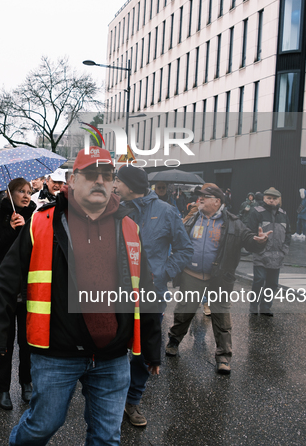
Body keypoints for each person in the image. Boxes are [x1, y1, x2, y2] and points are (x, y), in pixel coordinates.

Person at [0, 147, 161, 445]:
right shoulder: (41, 223)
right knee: (41, 427)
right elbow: (5, 281)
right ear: (73, 180)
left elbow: (147, 289)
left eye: (107, 175)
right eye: (91, 175)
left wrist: (152, 347)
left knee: (106, 437)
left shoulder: (130, 228)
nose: (100, 181)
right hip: (56, 353)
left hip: (112, 356)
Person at [114, 166, 193, 427]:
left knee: (142, 348)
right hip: (117, 294)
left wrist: (162, 274)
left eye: (118, 180)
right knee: (112, 344)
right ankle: (109, 396)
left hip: (151, 295)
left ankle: (133, 400)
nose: (114, 184)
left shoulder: (167, 212)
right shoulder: (115, 209)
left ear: (130, 185)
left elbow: (184, 250)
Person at [166, 183, 270, 374]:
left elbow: (249, 241)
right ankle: (173, 341)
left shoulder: (233, 222)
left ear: (217, 201)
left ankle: (223, 357)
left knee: (221, 317)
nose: (201, 199)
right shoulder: (192, 218)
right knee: (183, 311)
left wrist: (260, 241)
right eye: (200, 196)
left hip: (219, 278)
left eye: (205, 196)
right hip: (191, 274)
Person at [0, 178, 36, 410]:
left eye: (29, 192)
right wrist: (10, 230)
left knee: (27, 340)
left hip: (28, 285)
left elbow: (40, 247)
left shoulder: (35, 217)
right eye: (21, 191)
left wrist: (25, 229)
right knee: (3, 340)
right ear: (9, 194)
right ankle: (3, 390)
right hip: (1, 286)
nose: (26, 195)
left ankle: (26, 384)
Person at [247, 188, 291, 316]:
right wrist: (256, 245)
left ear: (279, 200)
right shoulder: (257, 212)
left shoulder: (283, 214)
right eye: (269, 198)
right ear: (264, 198)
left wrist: (284, 250)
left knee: (272, 283)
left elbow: (288, 233)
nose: (271, 200)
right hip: (261, 253)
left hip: (277, 255)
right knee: (259, 280)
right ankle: (254, 306)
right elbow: (250, 231)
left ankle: (266, 307)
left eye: (274, 198)